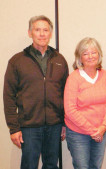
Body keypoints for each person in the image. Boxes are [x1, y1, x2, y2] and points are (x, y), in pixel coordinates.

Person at [3, 15, 69, 169]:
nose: (42, 34)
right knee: (29, 165)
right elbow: (9, 96)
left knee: (52, 165)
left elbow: (66, 93)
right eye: (37, 30)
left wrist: (65, 122)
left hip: (54, 125)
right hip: (29, 126)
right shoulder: (17, 61)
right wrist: (14, 128)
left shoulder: (59, 59)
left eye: (45, 30)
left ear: (50, 34)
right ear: (29, 33)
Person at [64, 37, 106, 169]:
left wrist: (103, 127)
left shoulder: (105, 75)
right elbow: (70, 110)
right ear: (79, 58)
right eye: (85, 53)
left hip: (100, 131)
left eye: (94, 52)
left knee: (96, 166)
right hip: (78, 133)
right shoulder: (74, 78)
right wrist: (92, 130)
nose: (90, 56)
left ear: (99, 55)